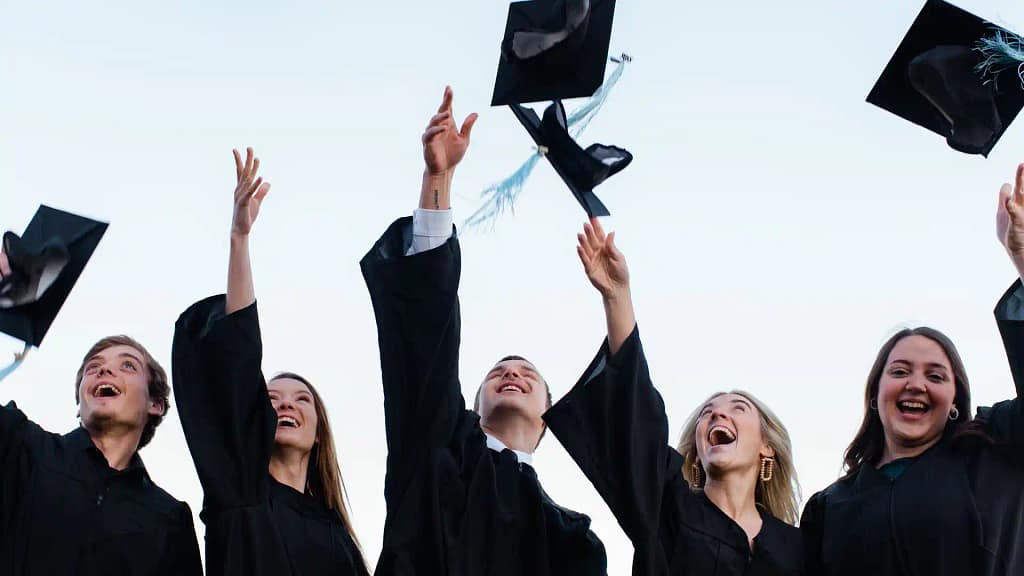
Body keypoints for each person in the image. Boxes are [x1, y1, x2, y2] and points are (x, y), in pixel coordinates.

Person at [361, 86, 607, 575]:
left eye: (526, 374)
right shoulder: (436, 454)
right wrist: (438, 179)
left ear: (549, 415)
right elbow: (428, 334)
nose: (511, 373)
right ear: (471, 408)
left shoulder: (574, 540)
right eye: (499, 370)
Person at [800, 164, 1024, 575]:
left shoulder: (995, 451)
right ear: (875, 393)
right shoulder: (829, 508)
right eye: (900, 371)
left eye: (936, 376)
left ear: (955, 400)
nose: (916, 384)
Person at [544, 218, 802, 575]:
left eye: (737, 408)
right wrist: (617, 296)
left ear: (766, 446)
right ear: (695, 452)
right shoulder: (666, 507)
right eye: (707, 413)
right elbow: (636, 416)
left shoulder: (800, 548)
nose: (716, 416)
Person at [172, 148, 368, 575]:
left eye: (302, 400)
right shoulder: (240, 490)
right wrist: (239, 241)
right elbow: (238, 357)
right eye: (273, 397)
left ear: (320, 433)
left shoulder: (341, 537)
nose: (285, 404)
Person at [0, 233, 202, 575]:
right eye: (92, 367)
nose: (104, 368)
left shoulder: (168, 520)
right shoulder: (23, 449)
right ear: (79, 403)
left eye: (127, 365)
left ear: (155, 403)